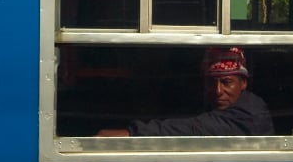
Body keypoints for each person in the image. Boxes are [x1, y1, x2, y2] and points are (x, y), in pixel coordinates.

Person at [96, 47, 275, 136]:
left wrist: (131, 133)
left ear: (243, 83)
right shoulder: (211, 105)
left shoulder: (249, 113)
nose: (218, 90)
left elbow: (192, 128)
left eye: (227, 82)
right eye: (211, 82)